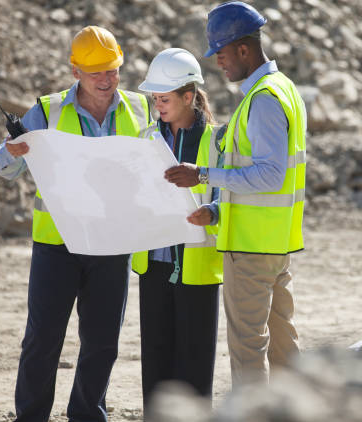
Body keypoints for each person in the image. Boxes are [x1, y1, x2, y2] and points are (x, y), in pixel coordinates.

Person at [0, 26, 151, 422]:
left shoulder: (140, 109)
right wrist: (13, 152)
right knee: (42, 340)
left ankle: (86, 414)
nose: (106, 79)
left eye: (112, 70)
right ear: (75, 71)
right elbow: (3, 166)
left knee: (102, 343)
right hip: (56, 245)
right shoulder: (48, 110)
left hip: (112, 244)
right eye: (95, 72)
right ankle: (31, 417)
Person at [166, 1, 307, 386]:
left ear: (243, 49)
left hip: (251, 248)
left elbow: (270, 176)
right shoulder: (284, 89)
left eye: (222, 54)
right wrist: (215, 209)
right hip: (276, 244)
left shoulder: (262, 99)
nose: (218, 63)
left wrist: (204, 175)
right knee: (283, 345)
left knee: (248, 350)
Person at [130, 48, 224, 406]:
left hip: (197, 271)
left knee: (195, 366)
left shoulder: (217, 141)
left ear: (189, 96)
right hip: (154, 266)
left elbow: (229, 197)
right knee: (155, 364)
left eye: (165, 98)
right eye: (155, 99)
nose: (158, 106)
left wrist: (211, 213)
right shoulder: (145, 139)